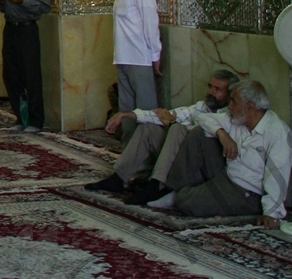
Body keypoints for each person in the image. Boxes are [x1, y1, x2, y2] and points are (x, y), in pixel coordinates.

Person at [134, 80, 292, 225]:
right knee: (199, 134)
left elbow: (277, 175)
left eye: (234, 101)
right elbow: (202, 118)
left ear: (250, 106)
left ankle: (180, 195)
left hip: (248, 193)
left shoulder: (277, 132)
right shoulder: (237, 119)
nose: (230, 106)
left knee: (187, 202)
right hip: (226, 175)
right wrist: (222, 134)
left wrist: (271, 213)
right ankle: (173, 189)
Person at [83, 68, 238, 201]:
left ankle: (157, 185)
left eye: (217, 89)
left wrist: (173, 123)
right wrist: (125, 115)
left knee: (177, 129)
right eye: (210, 86)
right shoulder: (202, 107)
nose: (211, 92)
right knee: (150, 127)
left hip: (197, 170)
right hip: (178, 161)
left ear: (230, 94)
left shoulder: (232, 116)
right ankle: (118, 178)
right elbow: (166, 115)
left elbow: (200, 136)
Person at [0, 0, 52, 132]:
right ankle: (21, 117)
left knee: (31, 76)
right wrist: (2, 3)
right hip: (10, 30)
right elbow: (4, 8)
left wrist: (23, 2)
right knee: (11, 76)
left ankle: (36, 121)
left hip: (28, 31)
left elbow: (44, 7)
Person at [101, 0, 160, 115]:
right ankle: (129, 140)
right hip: (122, 56)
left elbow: (150, 23)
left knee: (145, 107)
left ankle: (147, 140)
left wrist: (155, 55)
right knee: (125, 107)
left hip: (140, 56)